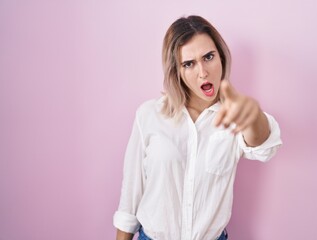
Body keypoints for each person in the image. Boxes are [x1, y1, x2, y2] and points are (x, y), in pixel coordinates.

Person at [113, 15, 282, 240]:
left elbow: (263, 147)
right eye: (189, 63)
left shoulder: (235, 115)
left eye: (208, 57)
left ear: (221, 57)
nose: (203, 72)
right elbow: (130, 198)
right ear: (177, 71)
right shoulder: (149, 115)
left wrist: (253, 117)